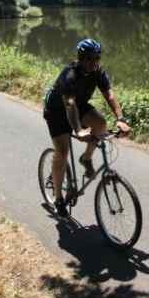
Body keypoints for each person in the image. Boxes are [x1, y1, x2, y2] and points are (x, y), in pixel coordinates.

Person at [43, 38, 132, 217]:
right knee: (62, 152)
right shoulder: (70, 75)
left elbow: (109, 94)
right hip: (57, 111)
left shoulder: (97, 72)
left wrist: (121, 119)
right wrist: (78, 130)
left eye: (97, 58)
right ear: (81, 58)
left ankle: (86, 158)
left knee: (100, 124)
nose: (94, 62)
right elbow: (69, 104)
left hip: (79, 105)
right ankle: (58, 198)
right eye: (90, 58)